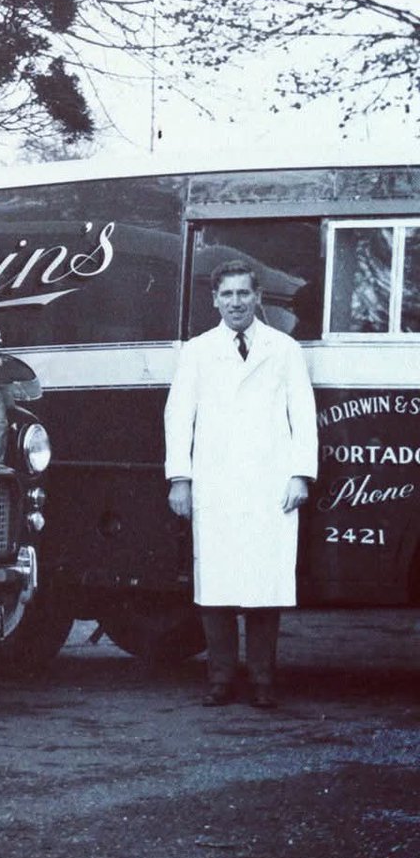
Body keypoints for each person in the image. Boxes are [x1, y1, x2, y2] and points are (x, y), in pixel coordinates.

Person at [165, 259, 317, 709]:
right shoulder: (197, 350)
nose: (236, 302)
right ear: (215, 300)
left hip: (270, 483)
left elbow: (303, 416)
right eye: (227, 294)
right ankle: (221, 678)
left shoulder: (284, 349)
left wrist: (299, 475)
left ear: (258, 297)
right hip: (217, 484)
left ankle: (264, 680)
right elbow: (179, 418)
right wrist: (180, 480)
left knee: (264, 587)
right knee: (217, 586)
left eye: (243, 294)